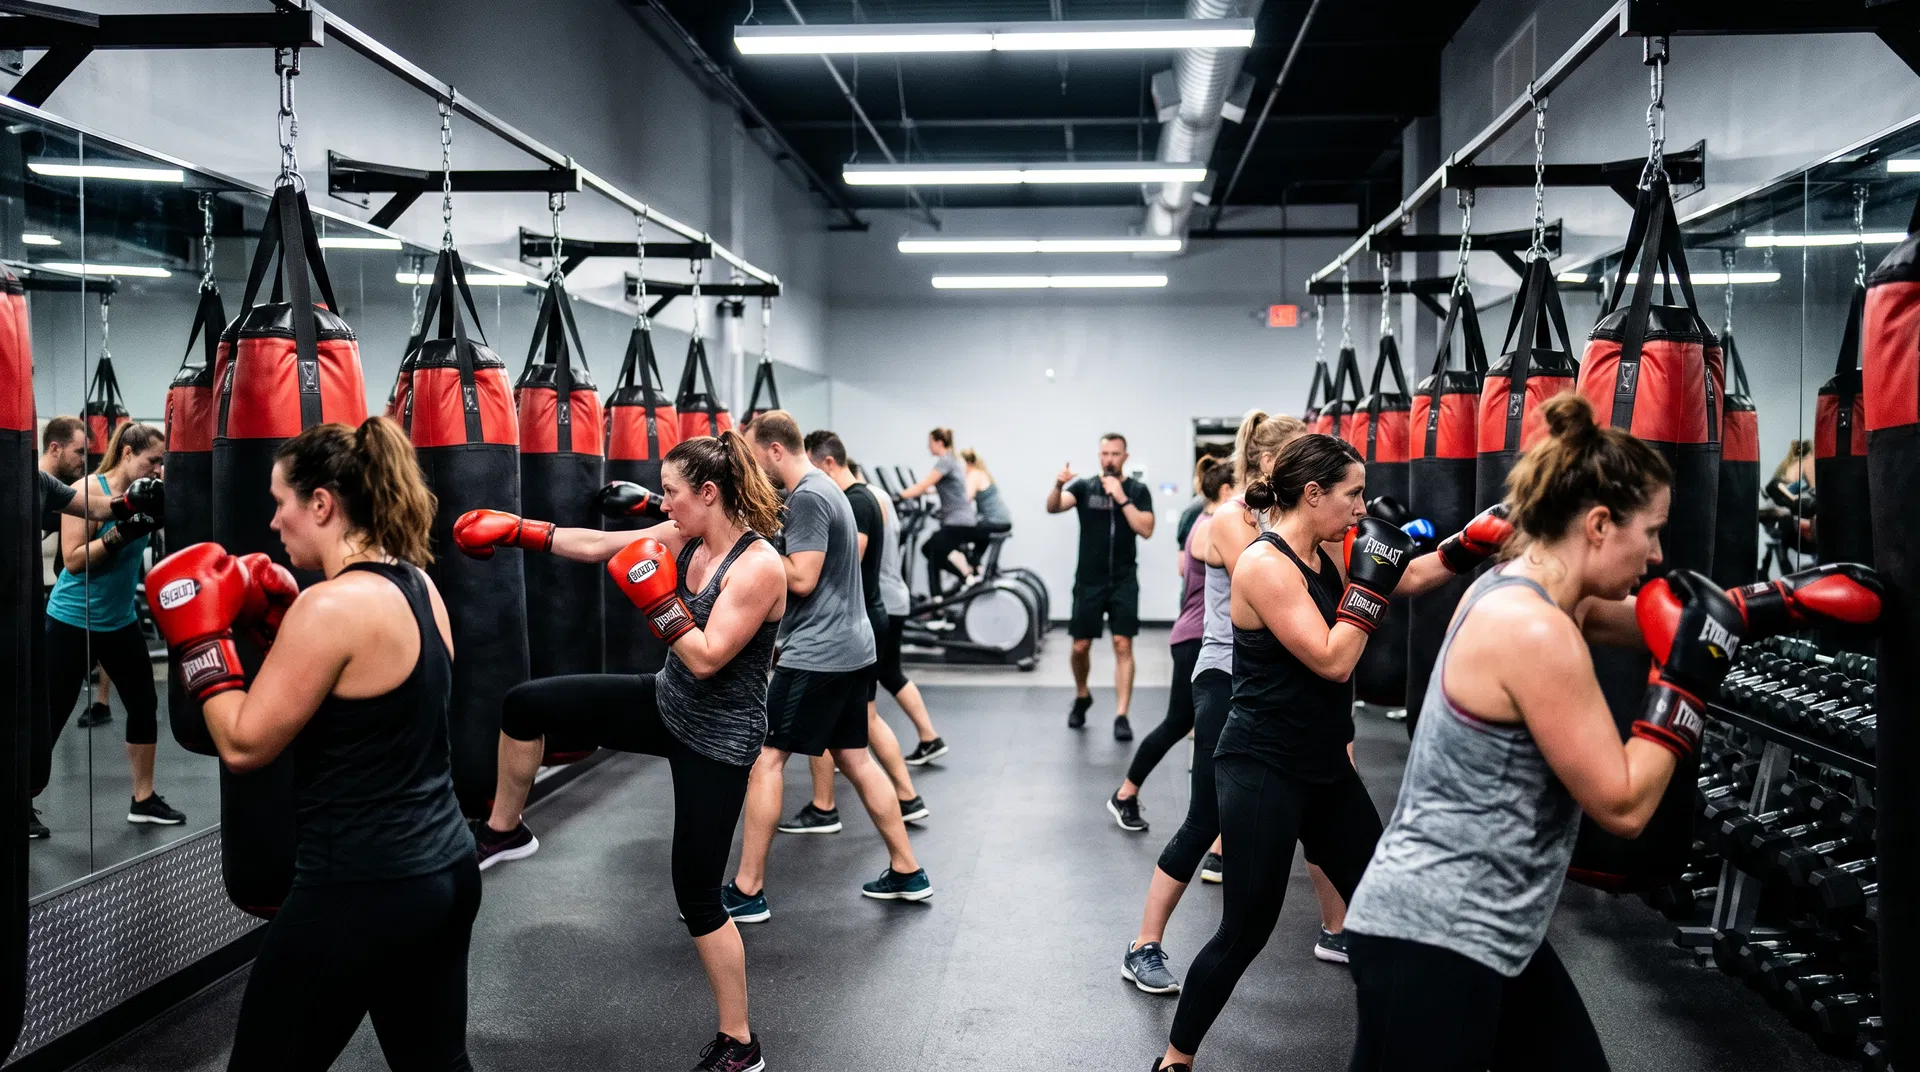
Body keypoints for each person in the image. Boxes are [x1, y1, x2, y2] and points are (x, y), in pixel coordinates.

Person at [1340, 394, 1759, 1070]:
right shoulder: (1534, 630)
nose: (1655, 555)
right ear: (1598, 524)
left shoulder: (1522, 587)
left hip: (1495, 932)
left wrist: (1765, 607)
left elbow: (1659, 624)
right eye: (1649, 532)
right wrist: (1684, 688)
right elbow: (1622, 806)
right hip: (1434, 934)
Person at [145, 417, 477, 1071]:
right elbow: (371, 710)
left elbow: (244, 746)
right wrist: (273, 626)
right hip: (443, 873)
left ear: (321, 503)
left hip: (358, 887)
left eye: (281, 502)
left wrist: (199, 642)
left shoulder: (326, 609)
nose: (273, 522)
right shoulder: (419, 585)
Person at [1154, 432, 1487, 1072]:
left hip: (1323, 765)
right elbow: (1335, 659)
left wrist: (1473, 543)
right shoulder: (1263, 564)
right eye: (1352, 494)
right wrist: (1365, 596)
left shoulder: (1331, 543)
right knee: (1246, 928)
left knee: (1384, 902)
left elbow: (1405, 575)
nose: (1362, 508)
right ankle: (1176, 1058)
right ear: (1313, 494)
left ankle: (1403, 1044)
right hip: (1262, 766)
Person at [458, 431, 785, 1072]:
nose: (661, 505)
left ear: (709, 494)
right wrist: (518, 528)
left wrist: (659, 601)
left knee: (696, 895)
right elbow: (599, 545)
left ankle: (740, 1043)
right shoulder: (685, 537)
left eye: (671, 493)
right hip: (665, 703)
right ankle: (504, 829)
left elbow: (710, 657)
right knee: (525, 704)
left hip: (717, 739)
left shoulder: (759, 566)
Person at [727, 410, 931, 919]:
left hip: (820, 653)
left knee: (767, 759)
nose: (756, 467)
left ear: (775, 450)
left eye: (756, 457)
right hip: (850, 646)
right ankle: (907, 868)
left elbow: (802, 578)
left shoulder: (809, 497)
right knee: (855, 758)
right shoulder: (824, 488)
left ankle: (747, 890)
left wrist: (750, 548)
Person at [785, 431, 930, 834]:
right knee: (863, 723)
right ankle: (903, 796)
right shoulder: (860, 499)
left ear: (826, 463)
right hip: (860, 618)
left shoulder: (858, 503)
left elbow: (845, 559)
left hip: (854, 621)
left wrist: (795, 552)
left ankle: (826, 805)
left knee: (833, 724)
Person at [43, 422, 184, 828]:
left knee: (143, 704)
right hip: (72, 619)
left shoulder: (150, 495)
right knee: (54, 713)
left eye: (162, 462)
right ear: (126, 453)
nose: (158, 469)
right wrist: (119, 535)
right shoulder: (89, 490)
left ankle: (143, 799)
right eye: (152, 461)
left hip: (119, 621)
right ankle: (23, 800)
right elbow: (71, 560)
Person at [1109, 456, 1229, 834]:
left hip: (1196, 636)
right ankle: (1126, 794)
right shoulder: (1210, 528)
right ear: (1226, 491)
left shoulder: (1208, 523)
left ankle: (1131, 795)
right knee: (1180, 721)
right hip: (1195, 637)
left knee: (1194, 724)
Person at [1047, 433, 1154, 740]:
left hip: (1123, 580)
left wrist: (1121, 497)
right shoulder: (1084, 488)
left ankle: (1122, 714)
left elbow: (1145, 529)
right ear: (1099, 456)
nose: (1109, 459)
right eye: (1104, 453)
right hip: (1089, 580)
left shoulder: (1137, 490)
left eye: (1115, 454)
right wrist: (1057, 485)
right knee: (1080, 646)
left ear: (1125, 457)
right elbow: (1054, 507)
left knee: (1123, 643)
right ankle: (1082, 695)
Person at [865, 461, 949, 765]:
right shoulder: (881, 497)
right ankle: (929, 737)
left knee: (862, 694)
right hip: (894, 598)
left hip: (881, 602)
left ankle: (849, 752)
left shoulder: (861, 503)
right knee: (890, 673)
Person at [899, 427, 980, 597]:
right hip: (961, 520)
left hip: (958, 522)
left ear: (939, 442)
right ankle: (966, 578)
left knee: (933, 551)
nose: (929, 448)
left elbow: (923, 485)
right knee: (929, 549)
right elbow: (943, 488)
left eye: (930, 443)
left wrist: (897, 496)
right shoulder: (953, 460)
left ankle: (938, 603)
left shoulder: (945, 461)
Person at [961, 448, 1013, 567]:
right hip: (1001, 521)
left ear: (967, 463)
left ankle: (972, 569)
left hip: (994, 521)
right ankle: (976, 567)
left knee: (957, 533)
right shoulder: (982, 473)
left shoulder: (974, 474)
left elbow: (966, 500)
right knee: (978, 536)